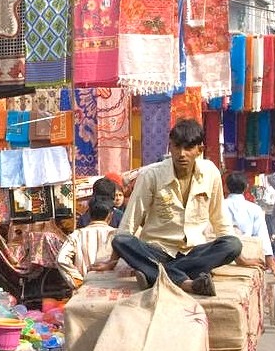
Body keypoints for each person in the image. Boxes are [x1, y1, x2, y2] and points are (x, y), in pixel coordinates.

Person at [92, 119, 243, 296]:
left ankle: (157, 274)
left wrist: (238, 257)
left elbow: (220, 218)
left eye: (188, 148)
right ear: (170, 147)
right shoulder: (151, 175)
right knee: (121, 240)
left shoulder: (210, 173)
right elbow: (129, 222)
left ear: (199, 150)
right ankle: (185, 282)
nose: (181, 154)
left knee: (233, 244)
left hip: (193, 251)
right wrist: (113, 261)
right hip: (157, 250)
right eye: (177, 147)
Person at [225, 172, 275, 281]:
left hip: (223, 258)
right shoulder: (254, 209)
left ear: (226, 187)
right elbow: (263, 238)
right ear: (246, 187)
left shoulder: (219, 206)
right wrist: (273, 266)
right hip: (249, 258)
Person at [57, 197, 117, 289]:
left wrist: (78, 281)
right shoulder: (117, 234)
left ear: (89, 215)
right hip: (113, 287)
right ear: (110, 216)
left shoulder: (77, 235)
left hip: (86, 287)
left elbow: (61, 259)